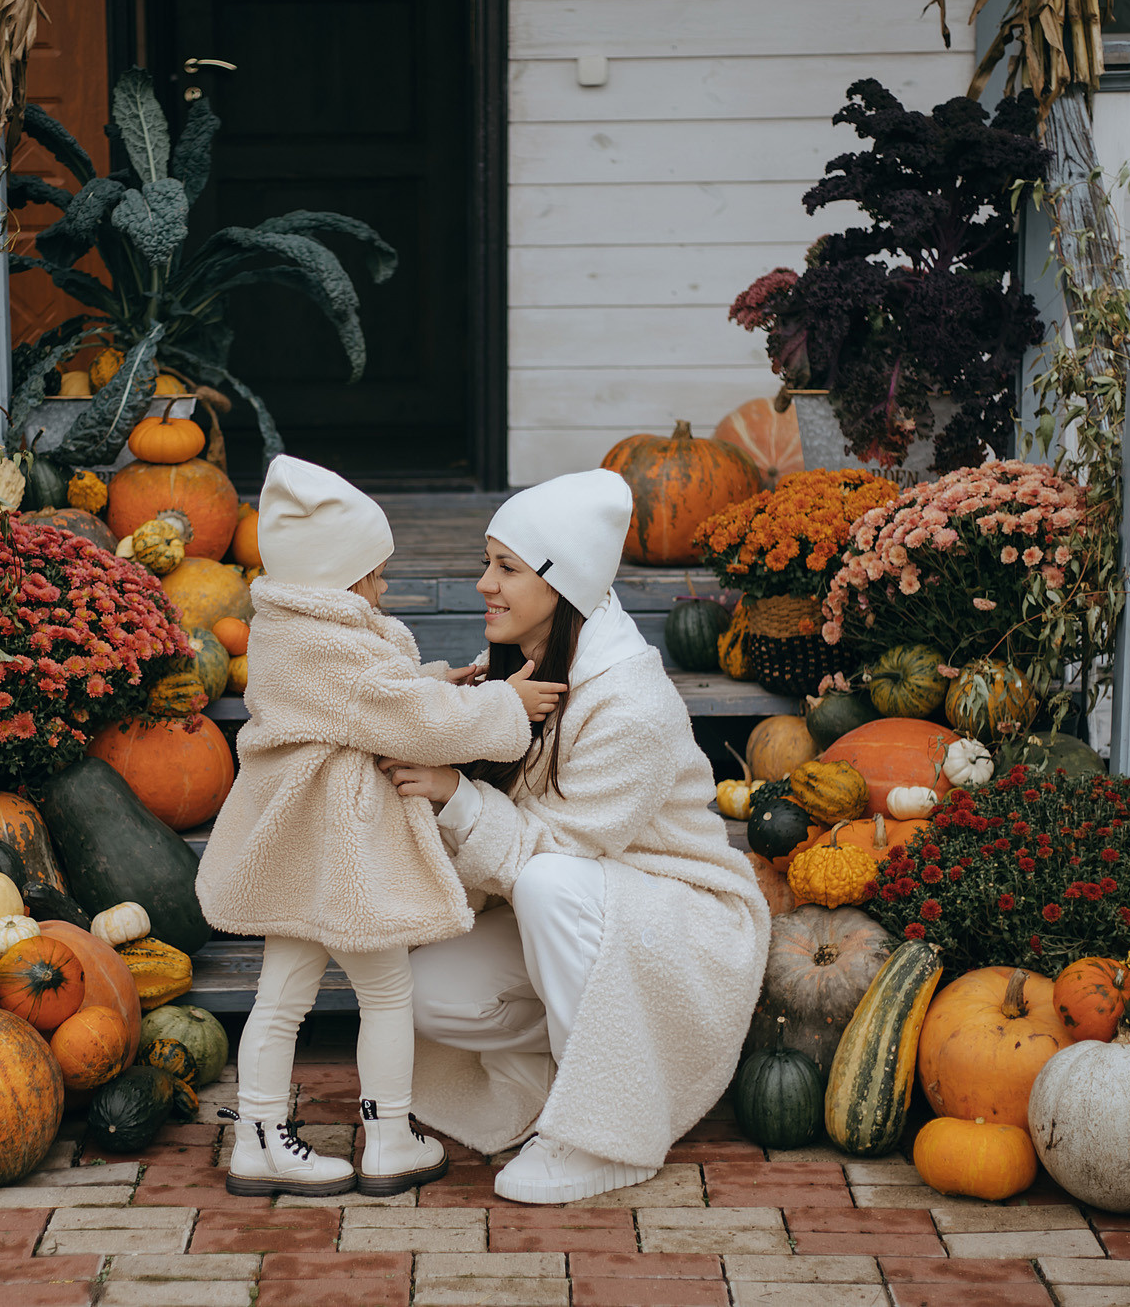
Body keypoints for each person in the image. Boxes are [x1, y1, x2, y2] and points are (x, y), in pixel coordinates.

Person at [383, 469, 772, 1204]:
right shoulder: (530, 665)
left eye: (505, 567)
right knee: (425, 991)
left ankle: (606, 1131)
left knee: (547, 882)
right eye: (487, 563)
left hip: (682, 923)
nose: (482, 585)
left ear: (560, 585)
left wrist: (455, 794)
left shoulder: (630, 705)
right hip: (596, 911)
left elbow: (554, 856)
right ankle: (561, 1081)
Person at [197, 455, 569, 1198]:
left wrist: (438, 681)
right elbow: (403, 718)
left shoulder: (290, 634)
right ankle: (389, 1136)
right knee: (387, 991)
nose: (384, 587)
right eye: (375, 574)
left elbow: (371, 703)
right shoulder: (336, 647)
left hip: (295, 849)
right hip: (341, 854)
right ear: (340, 577)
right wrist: (503, 707)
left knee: (282, 995)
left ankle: (257, 1138)